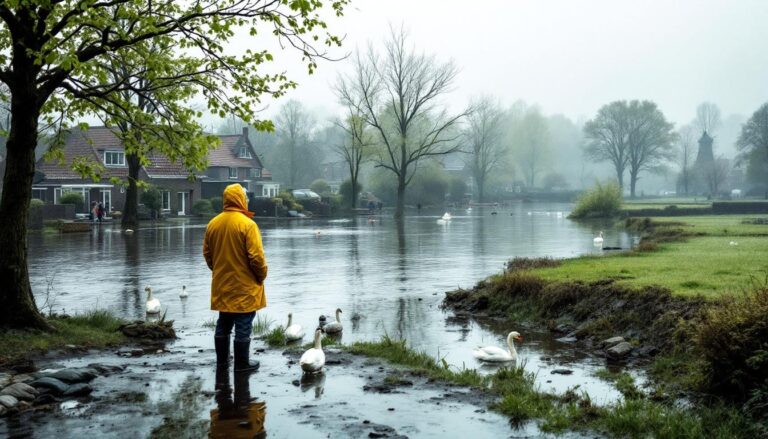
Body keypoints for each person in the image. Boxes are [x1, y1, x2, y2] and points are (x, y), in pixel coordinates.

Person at [203, 184, 268, 373]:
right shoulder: (247, 225)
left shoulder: (213, 223)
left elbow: (207, 253)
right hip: (244, 286)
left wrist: (218, 270)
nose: (247, 200)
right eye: (245, 197)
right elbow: (256, 257)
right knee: (243, 324)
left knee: (223, 322)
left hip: (222, 285)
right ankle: (242, 364)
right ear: (240, 199)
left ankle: (222, 361)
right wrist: (261, 275)